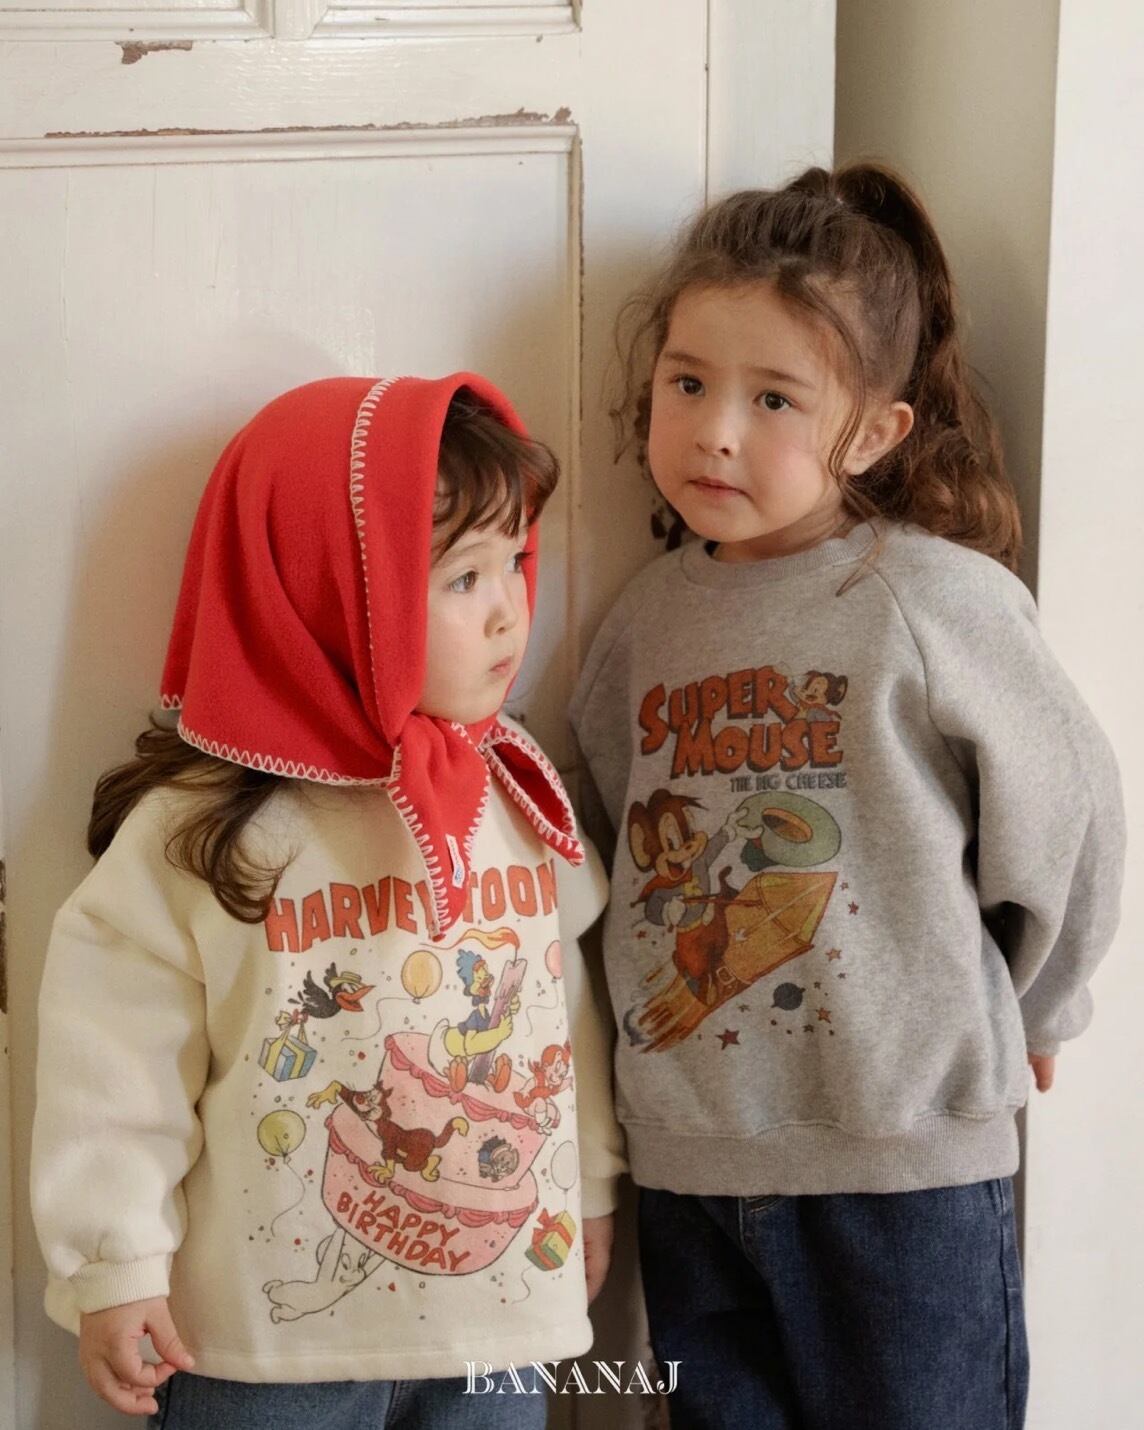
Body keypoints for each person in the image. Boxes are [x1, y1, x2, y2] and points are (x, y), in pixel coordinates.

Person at [569, 164, 1126, 1430]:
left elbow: (1072, 809)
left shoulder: (927, 600)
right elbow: (595, 853)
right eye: (687, 382)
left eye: (773, 398)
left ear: (873, 432)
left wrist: (1042, 996)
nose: (714, 429)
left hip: (901, 1165)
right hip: (693, 1161)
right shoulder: (641, 627)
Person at [32, 374, 625, 1427]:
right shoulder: (205, 830)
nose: (509, 609)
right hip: (261, 1350)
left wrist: (590, 1188)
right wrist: (113, 1261)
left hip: (494, 1326)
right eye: (463, 576)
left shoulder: (513, 790)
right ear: (331, 594)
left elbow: (566, 1017)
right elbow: (115, 1063)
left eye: (513, 562)